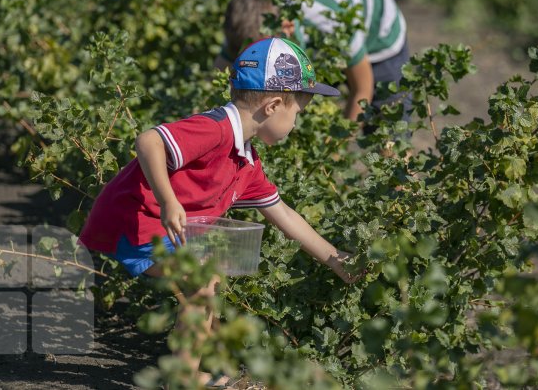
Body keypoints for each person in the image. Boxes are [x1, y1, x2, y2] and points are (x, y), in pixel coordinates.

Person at [79, 37, 359, 388]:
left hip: (161, 227)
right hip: (139, 219)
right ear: (273, 105)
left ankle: (209, 372)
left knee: (206, 286)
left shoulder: (246, 162)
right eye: (297, 112)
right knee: (201, 284)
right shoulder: (216, 128)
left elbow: (284, 215)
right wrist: (168, 201)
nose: (296, 122)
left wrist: (335, 260)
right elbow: (149, 140)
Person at [215, 0, 410, 124]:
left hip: (379, 36)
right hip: (320, 43)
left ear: (287, 27)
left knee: (387, 129)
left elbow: (362, 90)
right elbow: (221, 79)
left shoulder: (332, 23)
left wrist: (335, 152)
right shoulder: (246, 28)